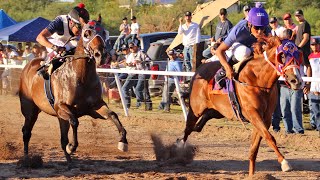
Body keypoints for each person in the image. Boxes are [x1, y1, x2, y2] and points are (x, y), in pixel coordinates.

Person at [215, 6, 270, 83]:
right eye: (256, 27)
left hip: (251, 48)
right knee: (244, 51)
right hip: (234, 48)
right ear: (249, 24)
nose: (260, 31)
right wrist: (227, 68)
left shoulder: (267, 29)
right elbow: (219, 51)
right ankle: (223, 71)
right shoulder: (238, 30)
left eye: (262, 27)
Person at [36, 3, 90, 76]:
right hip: (53, 42)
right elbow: (39, 37)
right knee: (64, 48)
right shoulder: (60, 22)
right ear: (71, 22)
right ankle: (46, 68)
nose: (81, 31)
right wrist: (55, 48)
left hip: (69, 42)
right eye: (79, 27)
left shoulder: (79, 28)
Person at [122, 42, 152, 110]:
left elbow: (149, 60)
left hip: (145, 72)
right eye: (130, 47)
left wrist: (140, 62)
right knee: (144, 89)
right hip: (139, 73)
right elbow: (134, 65)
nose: (131, 49)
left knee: (138, 90)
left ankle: (141, 104)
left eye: (132, 47)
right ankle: (148, 106)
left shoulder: (141, 52)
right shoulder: (133, 54)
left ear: (136, 46)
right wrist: (129, 64)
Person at [307, 38, 320, 132]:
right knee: (315, 109)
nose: (314, 46)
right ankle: (318, 126)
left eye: (316, 44)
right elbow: (309, 71)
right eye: (312, 45)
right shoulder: (310, 56)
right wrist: (308, 84)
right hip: (314, 86)